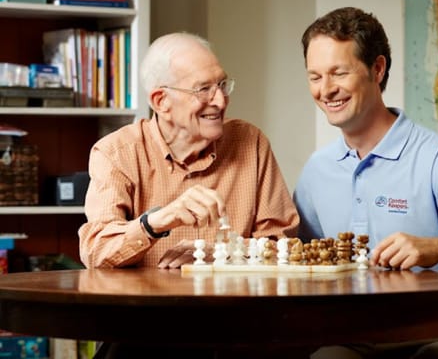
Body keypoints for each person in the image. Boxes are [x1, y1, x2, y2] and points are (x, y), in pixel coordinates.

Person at [294, 7, 438, 359]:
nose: (326, 90)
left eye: (338, 73)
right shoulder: (316, 171)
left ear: (377, 69)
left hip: (435, 337)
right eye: (315, 77)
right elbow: (300, 261)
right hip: (347, 341)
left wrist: (437, 249)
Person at [79, 32, 300, 358]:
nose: (220, 100)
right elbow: (96, 250)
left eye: (222, 85)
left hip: (238, 329)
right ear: (160, 101)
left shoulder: (251, 142)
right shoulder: (116, 152)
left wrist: (223, 256)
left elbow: (283, 245)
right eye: (203, 90)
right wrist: (156, 221)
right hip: (145, 331)